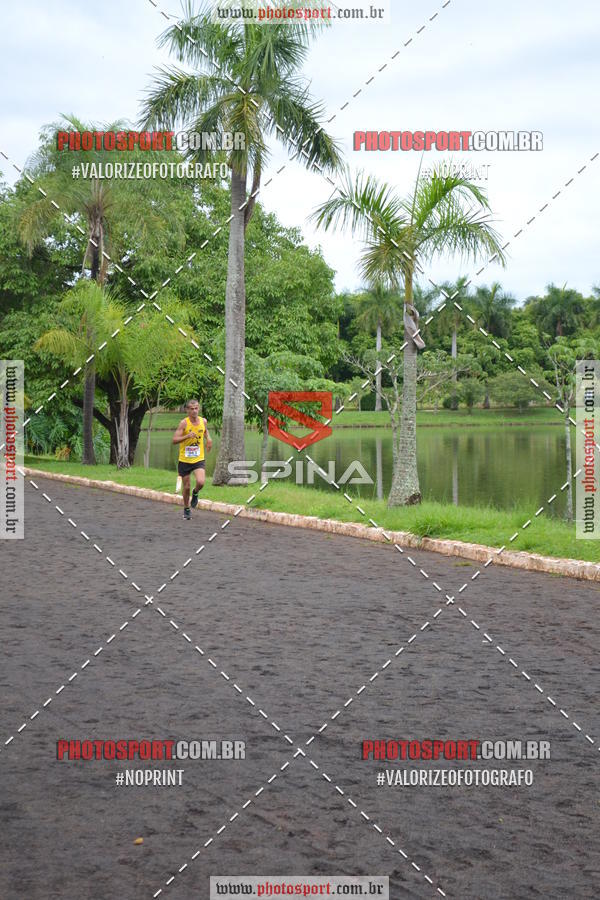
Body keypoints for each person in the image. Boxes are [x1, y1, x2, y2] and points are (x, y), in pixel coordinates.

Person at [172, 400, 212, 520]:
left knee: (201, 482)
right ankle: (186, 508)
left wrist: (209, 439)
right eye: (192, 409)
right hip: (184, 459)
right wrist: (186, 436)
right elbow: (174, 440)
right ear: (187, 410)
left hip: (198, 458)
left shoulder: (203, 421)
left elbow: (205, 432)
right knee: (186, 486)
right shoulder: (184, 423)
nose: (194, 411)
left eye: (196, 408)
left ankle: (195, 493)